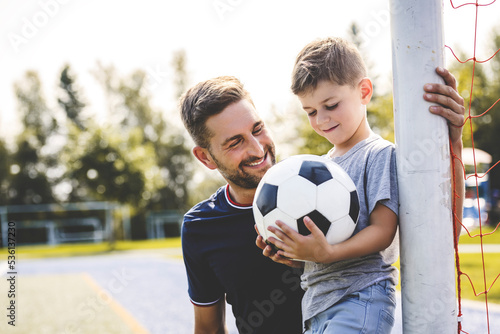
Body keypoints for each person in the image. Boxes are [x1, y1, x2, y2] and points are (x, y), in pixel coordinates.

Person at [256, 37, 465, 333]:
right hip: (317, 304)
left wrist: (326, 253)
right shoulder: (317, 167)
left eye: (331, 105)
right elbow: (321, 245)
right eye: (311, 112)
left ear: (364, 91)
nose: (321, 119)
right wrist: (295, 251)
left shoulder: (378, 154)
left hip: (360, 297)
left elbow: (382, 231)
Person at [179, 76, 304, 334]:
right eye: (235, 142)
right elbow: (208, 329)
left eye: (257, 129)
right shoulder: (200, 228)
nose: (258, 149)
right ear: (205, 157)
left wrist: (311, 261)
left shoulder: (320, 188)